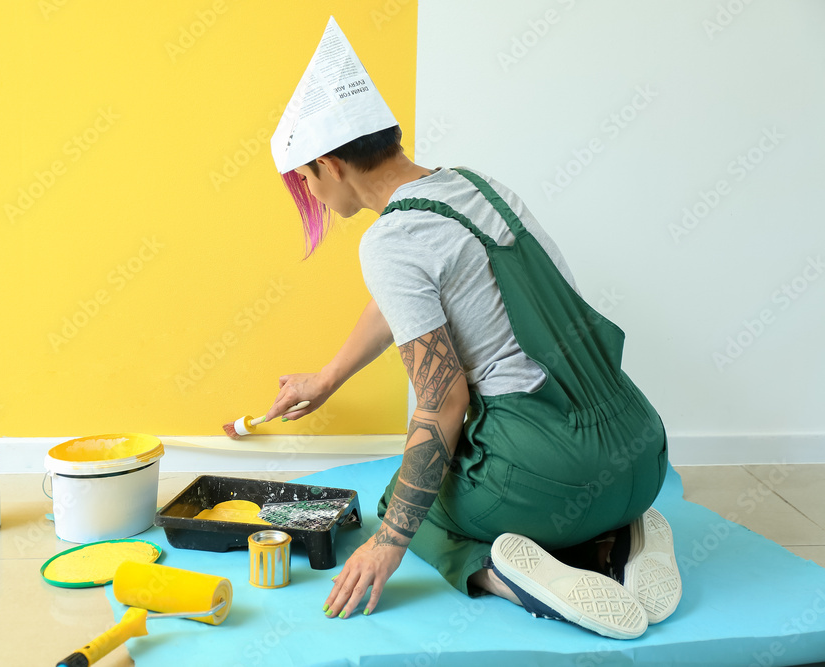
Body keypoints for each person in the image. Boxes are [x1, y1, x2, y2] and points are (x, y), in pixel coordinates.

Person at [264, 17, 681, 640]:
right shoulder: (478, 188)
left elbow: (444, 399)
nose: (313, 197)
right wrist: (327, 378)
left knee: (403, 501)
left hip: (553, 468)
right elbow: (402, 303)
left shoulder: (389, 240)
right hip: (639, 448)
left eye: (307, 181)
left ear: (329, 164)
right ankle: (615, 543)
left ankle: (506, 576)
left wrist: (389, 542)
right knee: (462, 482)